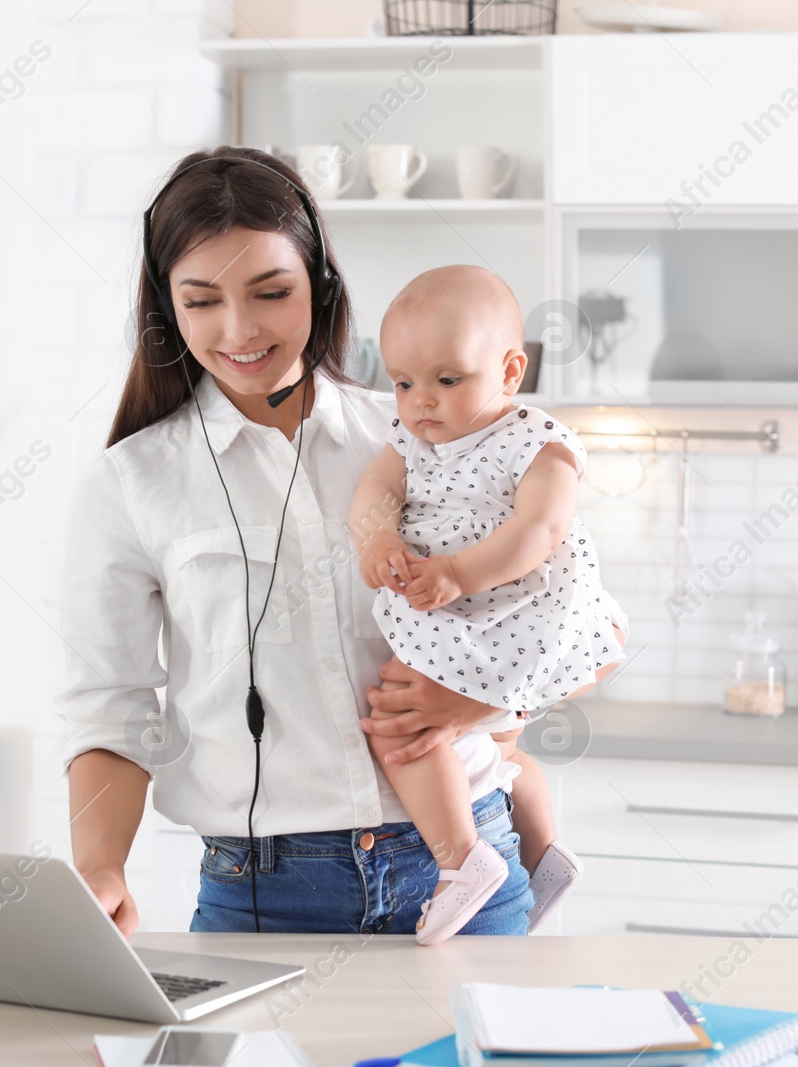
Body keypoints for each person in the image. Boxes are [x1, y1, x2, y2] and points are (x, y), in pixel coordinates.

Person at [60, 146, 629, 937]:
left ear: (321, 288)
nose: (240, 329)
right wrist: (100, 866)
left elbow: (591, 632)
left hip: (464, 868)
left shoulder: (430, 437)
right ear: (168, 307)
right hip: (261, 892)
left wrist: (476, 703)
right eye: (202, 301)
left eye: (272, 291)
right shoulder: (132, 481)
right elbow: (110, 709)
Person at [350, 266, 627, 944]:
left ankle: (462, 860)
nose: (422, 402)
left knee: (398, 723)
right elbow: (373, 493)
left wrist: (458, 572)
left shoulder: (538, 439)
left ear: (510, 371)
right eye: (404, 381)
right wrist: (379, 534)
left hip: (510, 610)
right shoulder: (410, 439)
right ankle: (542, 856)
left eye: (448, 380)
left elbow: (541, 530)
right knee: (500, 748)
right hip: (454, 608)